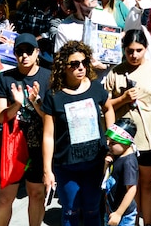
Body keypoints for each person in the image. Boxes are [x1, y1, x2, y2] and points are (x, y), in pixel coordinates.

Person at [42, 41, 115, 226]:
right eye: (74, 64)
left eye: (84, 62)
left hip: (95, 162)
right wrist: (47, 170)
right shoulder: (53, 95)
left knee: (92, 209)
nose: (80, 67)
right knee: (70, 211)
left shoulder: (96, 87)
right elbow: (48, 135)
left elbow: (108, 108)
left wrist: (111, 138)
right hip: (66, 164)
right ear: (63, 67)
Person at [104, 30, 151, 226]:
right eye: (129, 51)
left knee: (148, 184)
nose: (134, 55)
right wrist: (123, 99)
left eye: (138, 50)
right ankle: (132, 222)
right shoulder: (115, 73)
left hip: (149, 139)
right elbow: (106, 106)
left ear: (146, 49)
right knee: (128, 186)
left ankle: (148, 223)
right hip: (122, 143)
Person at [0, 32, 51, 226]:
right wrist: (16, 105)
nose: (24, 56)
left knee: (36, 194)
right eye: (19, 51)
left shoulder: (48, 78)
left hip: (38, 144)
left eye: (28, 51)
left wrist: (36, 103)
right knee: (5, 197)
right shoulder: (4, 78)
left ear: (37, 52)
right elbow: (1, 116)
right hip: (12, 145)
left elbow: (50, 118)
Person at [103, 119, 140, 226]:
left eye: (113, 142)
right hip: (111, 208)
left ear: (126, 142)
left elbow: (132, 189)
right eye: (108, 140)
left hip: (124, 214)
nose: (108, 144)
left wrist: (118, 214)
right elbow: (105, 178)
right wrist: (106, 164)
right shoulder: (117, 155)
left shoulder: (129, 162)